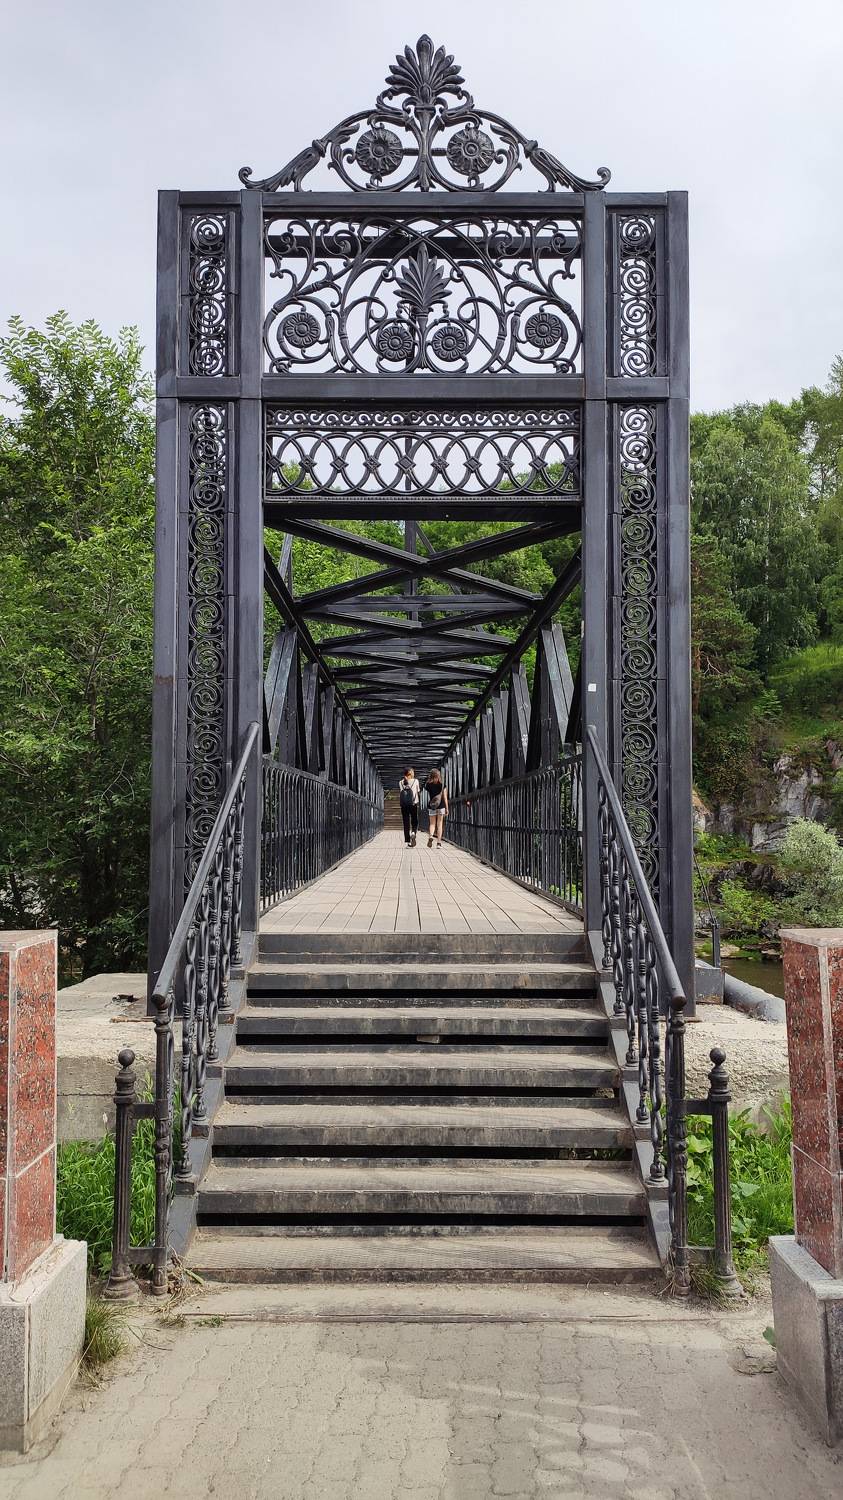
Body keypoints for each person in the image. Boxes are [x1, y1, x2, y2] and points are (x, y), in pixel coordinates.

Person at [424, 767, 449, 848]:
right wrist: (447, 808)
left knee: (432, 824)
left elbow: (426, 788)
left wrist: (429, 779)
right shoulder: (442, 785)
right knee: (439, 824)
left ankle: (431, 836)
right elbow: (445, 797)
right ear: (439, 775)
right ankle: (438, 843)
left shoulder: (428, 785)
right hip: (441, 806)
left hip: (432, 806)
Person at [398, 765, 420, 847]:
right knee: (414, 821)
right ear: (410, 772)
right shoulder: (416, 781)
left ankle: (408, 841)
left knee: (406, 822)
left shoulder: (400, 782)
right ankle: (413, 832)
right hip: (413, 804)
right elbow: (417, 791)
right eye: (413, 771)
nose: (414, 773)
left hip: (404, 805)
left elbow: (402, 792)